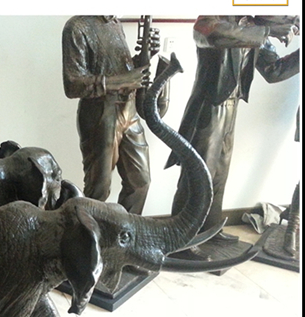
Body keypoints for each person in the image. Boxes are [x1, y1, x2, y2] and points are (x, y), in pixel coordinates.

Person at [165, 15, 300, 259]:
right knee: (198, 175)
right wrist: (268, 30)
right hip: (208, 107)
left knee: (219, 174)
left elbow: (274, 71)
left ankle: (210, 229)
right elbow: (215, 35)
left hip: (231, 106)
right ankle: (181, 239)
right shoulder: (214, 19)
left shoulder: (252, 26)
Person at [62, 15, 162, 214]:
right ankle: (90, 231)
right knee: (98, 188)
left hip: (129, 110)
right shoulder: (76, 27)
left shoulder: (114, 24)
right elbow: (73, 84)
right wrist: (124, 80)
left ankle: (125, 229)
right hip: (100, 113)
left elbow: (117, 69)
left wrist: (144, 57)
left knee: (140, 181)